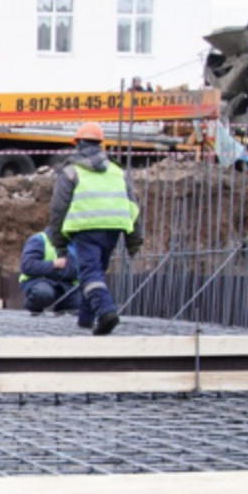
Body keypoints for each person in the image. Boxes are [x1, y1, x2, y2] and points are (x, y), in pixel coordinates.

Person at [46, 121, 143, 336]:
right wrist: (134, 239)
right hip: (113, 229)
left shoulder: (71, 171)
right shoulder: (117, 171)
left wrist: (59, 242)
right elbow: (133, 206)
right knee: (95, 272)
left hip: (85, 228)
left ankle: (106, 311)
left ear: (77, 144)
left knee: (90, 273)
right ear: (101, 144)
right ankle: (86, 319)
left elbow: (58, 208)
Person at [18, 229, 79, 315]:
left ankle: (63, 308)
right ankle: (33, 308)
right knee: (43, 294)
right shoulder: (39, 240)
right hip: (39, 281)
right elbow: (28, 266)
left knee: (84, 302)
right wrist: (53, 264)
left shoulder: (77, 243)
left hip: (66, 285)